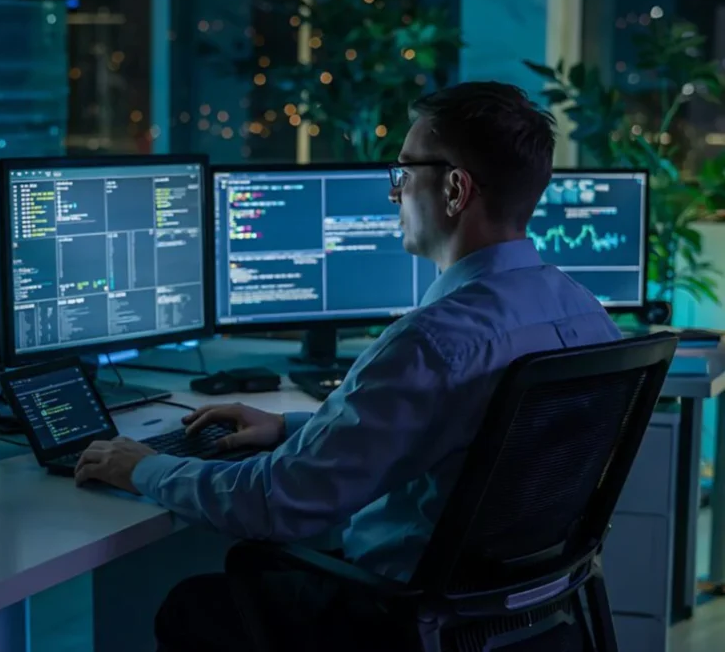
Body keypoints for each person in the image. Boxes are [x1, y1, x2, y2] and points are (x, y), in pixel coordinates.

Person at [74, 81, 623, 651]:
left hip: (399, 617)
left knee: (196, 605)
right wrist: (289, 428)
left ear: (456, 189)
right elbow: (466, 435)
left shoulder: (432, 343)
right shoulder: (586, 316)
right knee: (249, 570)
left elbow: (278, 504)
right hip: (516, 620)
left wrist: (142, 468)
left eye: (404, 173)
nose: (394, 194)